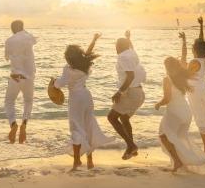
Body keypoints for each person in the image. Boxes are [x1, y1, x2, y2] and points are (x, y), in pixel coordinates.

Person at [48, 34, 113, 171]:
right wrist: (94, 40)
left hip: (76, 99)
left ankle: (77, 161)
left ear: (69, 59)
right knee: (89, 125)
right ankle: (90, 160)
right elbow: (87, 54)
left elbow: (60, 84)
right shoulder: (84, 65)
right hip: (86, 97)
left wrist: (53, 81)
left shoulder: (68, 69)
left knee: (76, 128)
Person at [155, 57, 205, 173]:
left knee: (163, 136)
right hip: (186, 112)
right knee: (178, 138)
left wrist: (158, 104)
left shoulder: (167, 79)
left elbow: (167, 99)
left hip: (175, 112)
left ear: (167, 67)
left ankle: (177, 161)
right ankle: (180, 161)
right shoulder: (182, 77)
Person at [108, 30, 145, 159]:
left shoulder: (123, 57)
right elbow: (132, 48)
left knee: (112, 117)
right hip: (139, 92)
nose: (115, 48)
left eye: (116, 46)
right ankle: (131, 149)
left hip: (131, 93)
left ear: (119, 47)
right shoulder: (131, 53)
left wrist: (119, 92)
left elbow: (130, 76)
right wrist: (129, 38)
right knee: (124, 118)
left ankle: (131, 145)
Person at [180, 16, 205, 153]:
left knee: (200, 119)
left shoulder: (194, 61)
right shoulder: (203, 58)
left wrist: (183, 50)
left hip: (195, 92)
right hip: (202, 90)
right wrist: (201, 26)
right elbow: (201, 41)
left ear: (195, 49)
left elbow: (185, 72)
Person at [4, 20, 37, 144]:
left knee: (9, 101)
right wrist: (24, 31)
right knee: (28, 101)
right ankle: (24, 123)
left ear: (12, 29)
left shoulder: (9, 40)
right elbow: (34, 40)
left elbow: (7, 57)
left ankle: (13, 124)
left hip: (15, 76)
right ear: (22, 28)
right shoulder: (29, 37)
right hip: (29, 77)